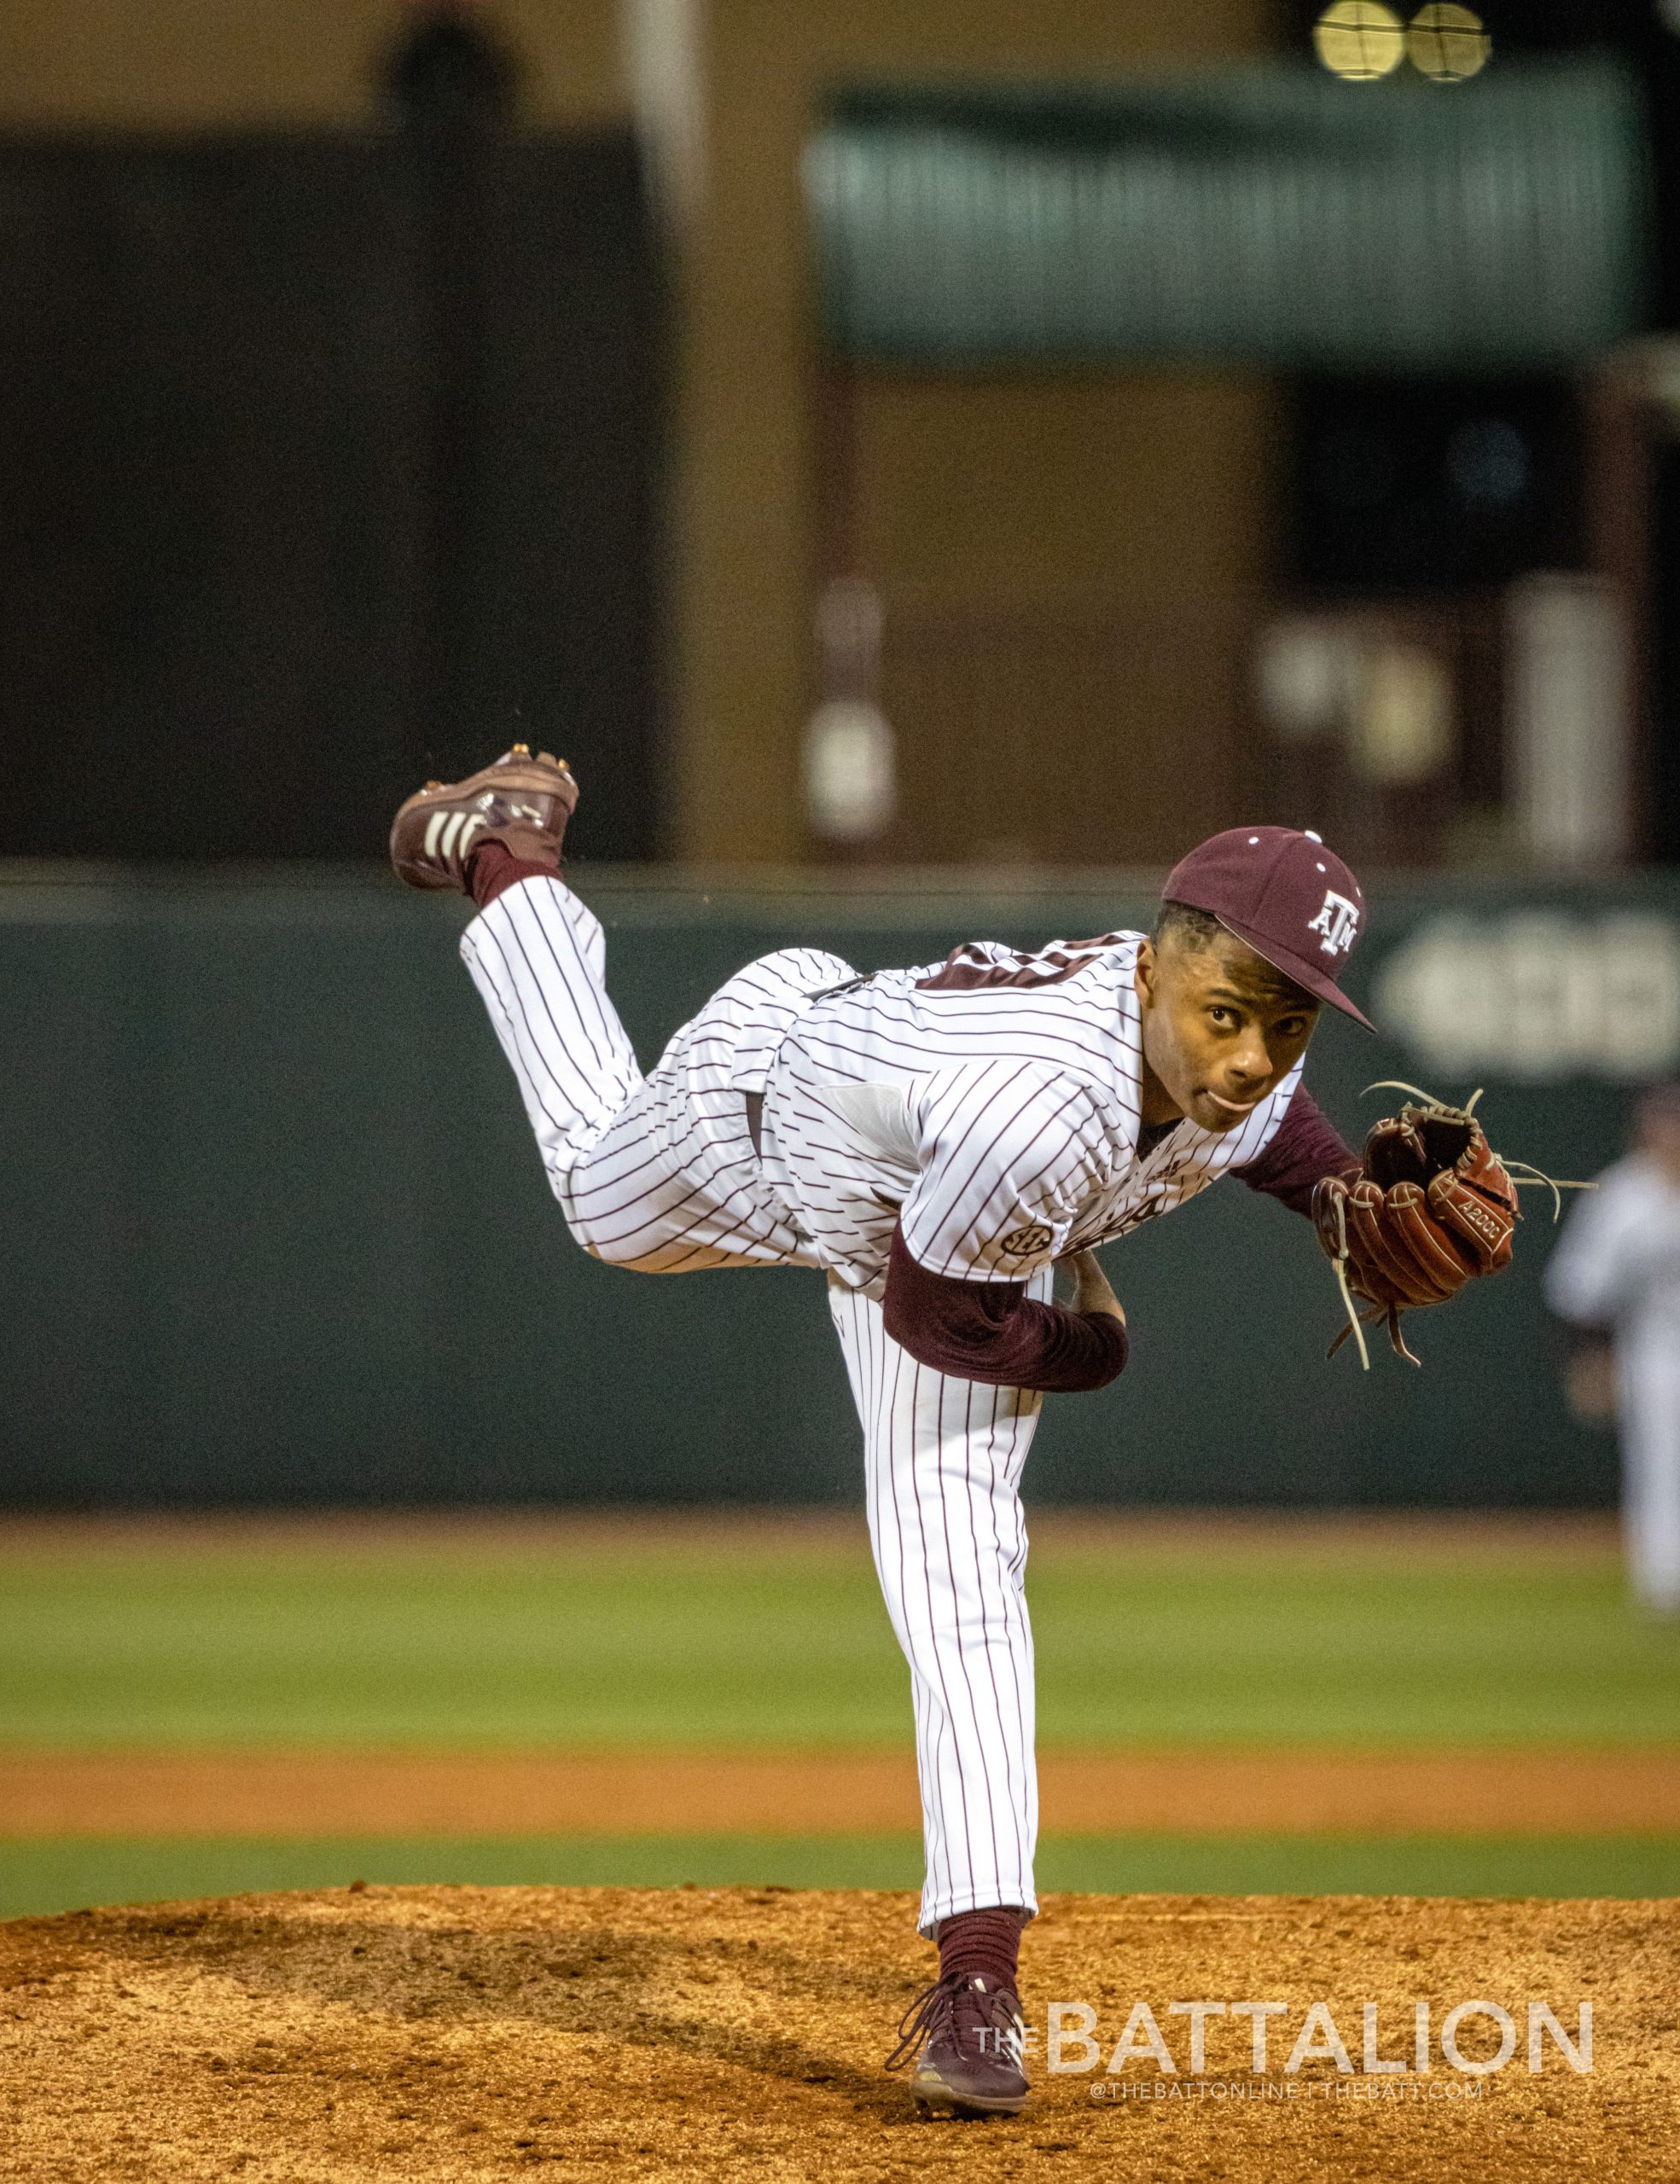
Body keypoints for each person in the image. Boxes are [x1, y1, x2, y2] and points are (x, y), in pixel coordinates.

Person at [389, 747, 1375, 2117]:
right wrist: (1089, 1349)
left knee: (963, 1572)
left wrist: (1347, 1195)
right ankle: (513, 865)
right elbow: (941, 1319)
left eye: (1290, 1024)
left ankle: (979, 1981)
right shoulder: (1042, 1111)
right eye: (1229, 1015)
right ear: (1151, 973)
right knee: (601, 1207)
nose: (1254, 1055)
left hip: (940, 1207)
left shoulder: (1225, 1042)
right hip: (771, 1120)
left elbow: (1265, 1117)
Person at [1544, 1083, 1680, 1618]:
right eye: (1663, 1123)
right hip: (1656, 1353)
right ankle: (1665, 1585)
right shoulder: (1623, 1195)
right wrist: (1590, 1362)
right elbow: (1580, 1289)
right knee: (1660, 1467)